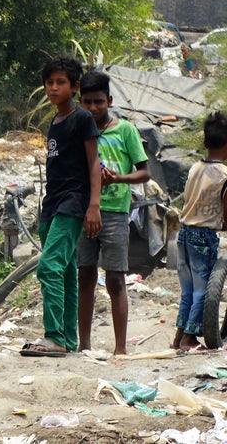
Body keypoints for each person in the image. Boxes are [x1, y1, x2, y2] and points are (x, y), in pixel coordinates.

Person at [21, 56, 102, 357]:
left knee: (49, 265)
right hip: (52, 203)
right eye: (49, 82)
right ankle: (67, 338)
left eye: (61, 82)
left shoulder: (82, 119)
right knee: (66, 268)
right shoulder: (55, 122)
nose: (53, 88)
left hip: (73, 201)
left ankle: (53, 335)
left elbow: (94, 164)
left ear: (74, 87)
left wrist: (93, 205)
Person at [77, 69, 150, 355]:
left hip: (116, 213)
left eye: (98, 102)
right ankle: (84, 344)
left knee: (116, 279)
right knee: (85, 276)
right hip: (84, 213)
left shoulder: (125, 131)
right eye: (87, 102)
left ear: (109, 100)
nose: (93, 108)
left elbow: (144, 173)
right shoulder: (79, 129)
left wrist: (117, 178)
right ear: (80, 101)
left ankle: (120, 348)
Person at [172, 111, 227, 352]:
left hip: (184, 232)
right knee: (202, 290)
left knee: (188, 290)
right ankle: (190, 339)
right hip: (203, 236)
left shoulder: (194, 168)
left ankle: (179, 336)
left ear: (204, 142)